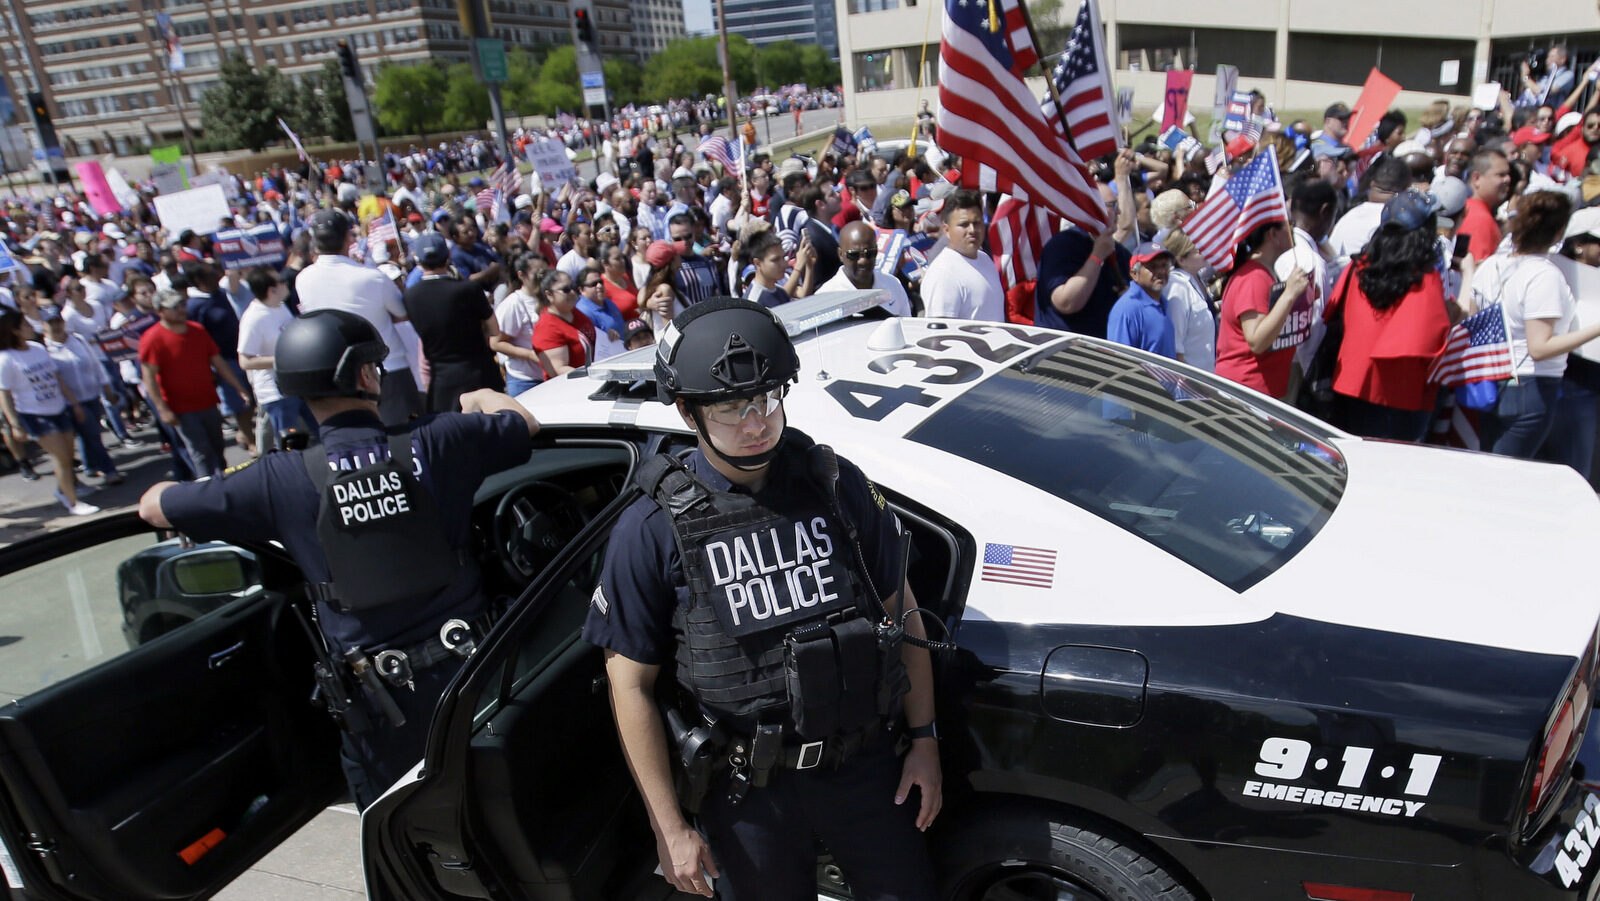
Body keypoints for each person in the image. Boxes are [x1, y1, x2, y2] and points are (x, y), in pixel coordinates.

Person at [584, 298, 940, 901]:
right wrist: (668, 827)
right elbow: (630, 686)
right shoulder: (651, 528)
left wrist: (926, 740)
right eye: (729, 408)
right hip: (747, 793)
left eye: (767, 400)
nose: (755, 424)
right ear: (688, 411)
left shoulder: (833, 483)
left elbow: (900, 609)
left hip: (865, 768)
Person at [138, 308, 538, 809]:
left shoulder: (275, 479)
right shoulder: (438, 440)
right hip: (480, 677)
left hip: (382, 707)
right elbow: (525, 422)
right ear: (366, 375)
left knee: (402, 834)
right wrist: (477, 397)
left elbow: (152, 506)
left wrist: (211, 483)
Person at [1471, 191, 1600, 458]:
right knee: (1509, 477)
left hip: (1491, 384)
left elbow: (1473, 324)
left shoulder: (1490, 266)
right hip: (1530, 388)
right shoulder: (1545, 276)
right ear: (1559, 233)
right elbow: (1539, 348)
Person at [1324, 191, 1457, 441]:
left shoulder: (1358, 266)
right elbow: (1432, 340)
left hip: (1350, 382)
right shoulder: (1426, 279)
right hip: (1397, 392)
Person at [296, 209, 424, 426]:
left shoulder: (303, 279)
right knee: (407, 438)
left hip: (340, 374)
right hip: (388, 368)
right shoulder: (372, 277)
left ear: (316, 244)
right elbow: (401, 314)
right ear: (348, 238)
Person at [139, 289, 252, 478]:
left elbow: (218, 361)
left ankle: (224, 484)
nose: (181, 309)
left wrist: (240, 388)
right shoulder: (152, 338)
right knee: (200, 452)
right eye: (174, 307)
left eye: (182, 305)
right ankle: (207, 490)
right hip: (180, 408)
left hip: (207, 401)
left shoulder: (197, 330)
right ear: (160, 311)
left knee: (217, 448)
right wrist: (162, 409)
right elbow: (149, 377)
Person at [0, 310, 98, 514]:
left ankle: (63, 490)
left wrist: (74, 403)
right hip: (35, 415)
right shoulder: (6, 359)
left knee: (68, 456)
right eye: (25, 325)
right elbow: (5, 394)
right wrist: (14, 424)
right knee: (61, 457)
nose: (30, 327)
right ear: (14, 331)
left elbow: (56, 378)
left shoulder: (38, 348)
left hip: (59, 408)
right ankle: (73, 503)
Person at [402, 233, 507, 413]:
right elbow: (494, 330)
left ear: (418, 260)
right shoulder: (469, 288)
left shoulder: (409, 297)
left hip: (442, 386)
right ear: (448, 256)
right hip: (481, 377)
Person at [1214, 221, 1312, 399]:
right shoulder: (1254, 277)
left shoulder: (1263, 272)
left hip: (1261, 392)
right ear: (1272, 235)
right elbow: (1257, 340)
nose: (1293, 230)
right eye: (1289, 224)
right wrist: (1289, 295)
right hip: (1246, 393)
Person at [40, 306, 123, 485]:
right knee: (91, 432)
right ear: (43, 325)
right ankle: (109, 470)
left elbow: (95, 364)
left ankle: (90, 466)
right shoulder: (45, 349)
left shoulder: (77, 340)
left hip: (91, 395)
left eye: (57, 321)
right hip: (70, 401)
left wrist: (106, 387)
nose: (55, 326)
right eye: (50, 322)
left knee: (89, 434)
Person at [238, 266, 314, 453]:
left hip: (297, 386)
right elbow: (245, 361)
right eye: (281, 281)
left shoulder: (280, 307)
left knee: (316, 435)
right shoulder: (254, 318)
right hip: (277, 393)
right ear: (271, 290)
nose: (286, 283)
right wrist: (282, 359)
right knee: (290, 446)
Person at [920, 189, 1003, 320]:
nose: (972, 230)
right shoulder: (943, 273)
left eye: (977, 223)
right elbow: (941, 335)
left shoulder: (985, 259)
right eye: (964, 225)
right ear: (947, 230)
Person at [818, 221, 913, 316]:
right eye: (854, 255)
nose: (863, 261)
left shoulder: (893, 284)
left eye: (869, 253)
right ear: (841, 254)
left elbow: (907, 326)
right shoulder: (825, 298)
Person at [1106, 242, 1177, 358]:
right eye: (1153, 267)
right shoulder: (1127, 309)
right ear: (1134, 274)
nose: (1161, 271)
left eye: (1164, 265)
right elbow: (1120, 361)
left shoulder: (1163, 303)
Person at [1159, 230, 1215, 370]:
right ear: (1181, 259)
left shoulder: (1197, 278)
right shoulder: (1177, 287)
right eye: (1197, 250)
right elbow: (1175, 344)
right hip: (1192, 383)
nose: (1204, 251)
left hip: (1209, 377)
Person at [531, 270, 596, 378]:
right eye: (566, 289)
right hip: (572, 388)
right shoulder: (546, 327)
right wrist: (591, 378)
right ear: (549, 294)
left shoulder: (575, 312)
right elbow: (558, 370)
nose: (572, 292)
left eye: (573, 287)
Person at [1458, 150, 1511, 263]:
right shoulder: (1479, 220)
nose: (1507, 179)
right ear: (1476, 178)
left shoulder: (1472, 210)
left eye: (1507, 174)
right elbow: (1477, 272)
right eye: (1500, 175)